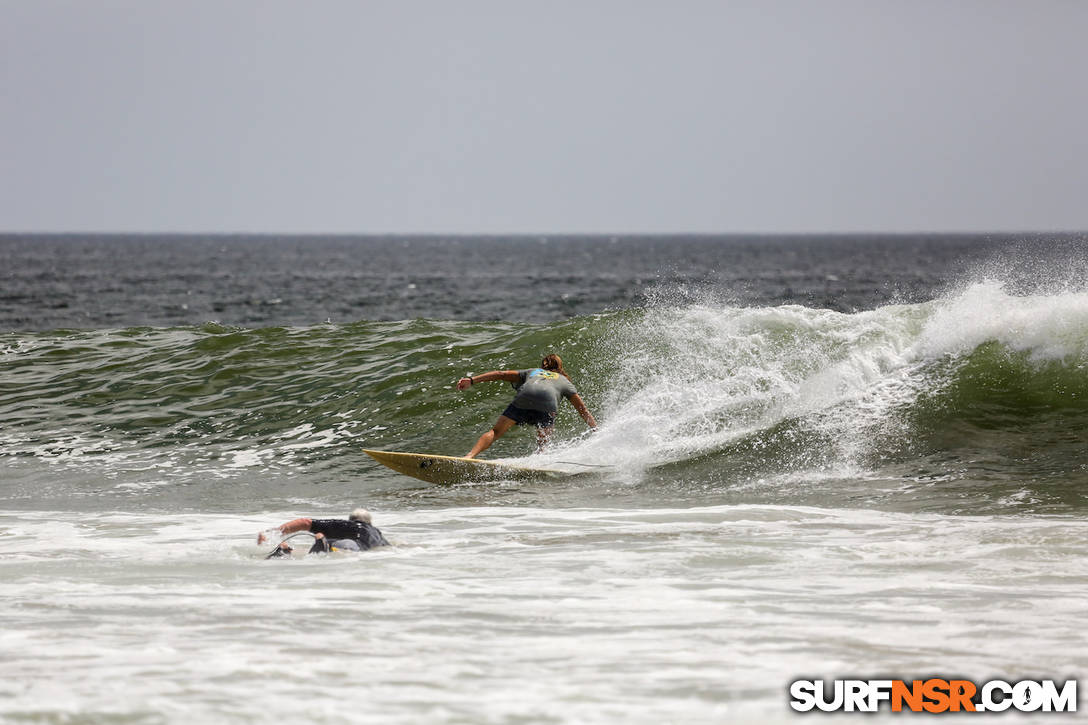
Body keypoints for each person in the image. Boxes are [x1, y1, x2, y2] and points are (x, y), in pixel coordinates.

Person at [456, 353, 597, 459]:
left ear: (543, 365)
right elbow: (582, 409)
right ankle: (540, 461)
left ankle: (469, 456)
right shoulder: (564, 381)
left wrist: (472, 380)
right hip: (547, 404)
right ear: (560, 367)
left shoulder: (532, 371)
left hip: (524, 398)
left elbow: (501, 374)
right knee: (543, 444)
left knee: (495, 432)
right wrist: (596, 430)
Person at [257, 508, 389, 555]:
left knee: (327, 546)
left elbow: (305, 522)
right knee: (336, 550)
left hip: (344, 544)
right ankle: (322, 544)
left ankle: (287, 550)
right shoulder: (376, 533)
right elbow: (389, 547)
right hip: (352, 548)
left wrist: (273, 533)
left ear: (351, 519)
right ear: (370, 522)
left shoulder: (346, 525)